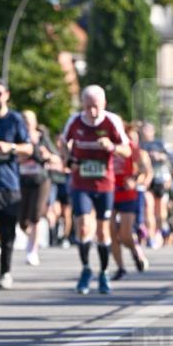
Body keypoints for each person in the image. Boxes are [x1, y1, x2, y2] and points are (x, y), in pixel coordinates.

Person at [61, 85, 129, 295]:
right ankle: (85, 269)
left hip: (104, 183)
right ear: (82, 104)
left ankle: (104, 272)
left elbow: (127, 150)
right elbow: (62, 142)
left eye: (96, 106)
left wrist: (112, 146)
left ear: (104, 104)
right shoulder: (75, 121)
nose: (92, 111)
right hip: (81, 183)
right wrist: (68, 160)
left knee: (102, 230)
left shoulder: (112, 121)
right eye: (88, 106)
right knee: (82, 226)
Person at [0, 79, 33, 289]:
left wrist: (10, 147)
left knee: (8, 231)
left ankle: (5, 272)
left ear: (7, 95)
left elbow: (29, 148)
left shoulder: (15, 119)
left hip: (9, 184)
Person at [19, 110, 61, 266]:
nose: (26, 123)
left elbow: (57, 158)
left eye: (29, 120)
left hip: (41, 181)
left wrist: (47, 156)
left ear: (35, 122)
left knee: (35, 215)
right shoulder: (17, 137)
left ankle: (32, 251)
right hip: (22, 181)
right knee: (22, 221)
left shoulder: (43, 138)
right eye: (23, 120)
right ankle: (32, 238)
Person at [111, 122, 150, 279]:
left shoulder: (132, 148)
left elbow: (144, 170)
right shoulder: (109, 144)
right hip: (110, 193)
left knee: (125, 235)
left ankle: (135, 251)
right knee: (111, 233)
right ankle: (120, 267)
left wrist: (134, 180)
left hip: (127, 193)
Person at [140, 121, 171, 247]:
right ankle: (151, 236)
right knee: (149, 209)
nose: (145, 132)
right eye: (144, 129)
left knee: (161, 212)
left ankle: (160, 230)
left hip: (159, 179)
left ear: (152, 131)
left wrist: (159, 156)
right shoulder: (140, 145)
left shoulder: (159, 143)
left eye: (148, 129)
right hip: (147, 179)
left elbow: (167, 158)